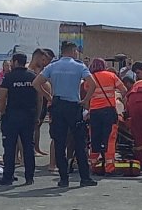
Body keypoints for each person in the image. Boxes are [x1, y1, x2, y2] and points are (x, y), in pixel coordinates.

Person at [33, 41, 97, 187]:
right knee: (79, 143)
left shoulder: (52, 66)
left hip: (58, 105)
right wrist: (85, 99)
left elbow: (36, 83)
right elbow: (92, 84)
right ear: (73, 51)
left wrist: (49, 96)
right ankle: (85, 178)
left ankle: (63, 179)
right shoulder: (79, 66)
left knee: (59, 143)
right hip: (74, 106)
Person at [0, 53, 41, 186]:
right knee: (28, 147)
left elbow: (2, 97)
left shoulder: (9, 77)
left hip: (12, 116)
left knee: (9, 148)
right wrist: (37, 116)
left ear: (15, 62)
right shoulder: (32, 76)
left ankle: (8, 177)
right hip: (29, 116)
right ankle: (29, 177)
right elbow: (39, 98)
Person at [86, 58, 127, 173]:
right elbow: (123, 90)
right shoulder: (111, 76)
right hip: (109, 111)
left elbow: (86, 91)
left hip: (94, 112)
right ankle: (109, 168)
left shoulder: (89, 78)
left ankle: (94, 166)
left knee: (94, 138)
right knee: (109, 138)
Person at [28, 48, 54, 156]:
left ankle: (37, 147)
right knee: (32, 126)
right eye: (44, 60)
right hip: (33, 100)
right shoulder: (29, 70)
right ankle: (30, 149)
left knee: (38, 125)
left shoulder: (42, 70)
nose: (45, 63)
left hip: (42, 101)